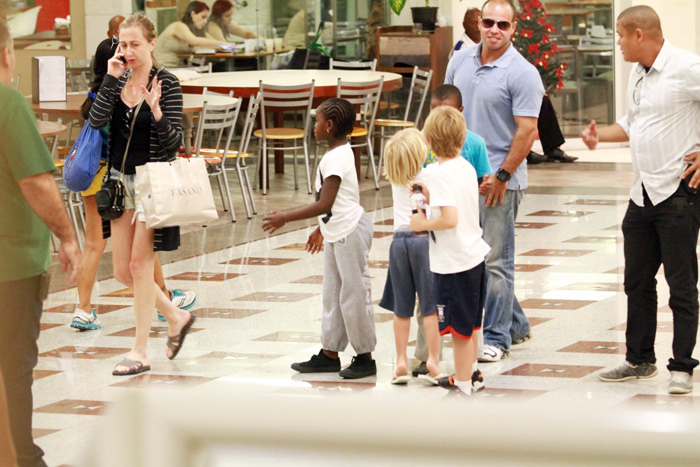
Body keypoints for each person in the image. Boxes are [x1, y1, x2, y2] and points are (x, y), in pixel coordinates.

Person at [585, 6, 700, 395]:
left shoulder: (687, 67)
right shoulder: (638, 73)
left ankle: (682, 366)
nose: (616, 42)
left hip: (677, 193)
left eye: (619, 34)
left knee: (681, 285)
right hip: (642, 193)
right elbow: (631, 125)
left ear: (639, 34)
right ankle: (639, 360)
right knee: (637, 281)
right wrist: (599, 136)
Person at [71, 16, 196, 331]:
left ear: (152, 44)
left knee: (139, 267)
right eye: (123, 45)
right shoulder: (118, 80)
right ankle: (175, 315)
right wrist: (111, 79)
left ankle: (141, 347)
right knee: (123, 273)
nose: (128, 51)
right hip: (119, 184)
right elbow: (96, 120)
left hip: (152, 183)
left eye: (135, 44)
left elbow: (173, 143)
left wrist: (156, 111)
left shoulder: (165, 83)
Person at [0, 17, 82, 466]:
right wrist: (67, 237)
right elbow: (36, 181)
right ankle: (21, 457)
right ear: (7, 53)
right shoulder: (8, 103)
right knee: (13, 367)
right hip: (10, 265)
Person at [445, 0, 544, 362]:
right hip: (461, 177)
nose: (494, 30)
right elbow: (447, 113)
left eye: (503, 24)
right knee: (475, 256)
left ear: (514, 28)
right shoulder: (461, 60)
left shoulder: (522, 73)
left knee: (496, 262)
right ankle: (515, 323)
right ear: (479, 23)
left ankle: (496, 337)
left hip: (501, 180)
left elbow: (527, 130)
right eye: (489, 22)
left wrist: (502, 175)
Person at [262, 98, 377, 379]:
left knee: (353, 295)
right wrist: (320, 229)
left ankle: (365, 358)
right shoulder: (336, 153)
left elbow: (326, 203)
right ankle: (329, 354)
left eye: (317, 120)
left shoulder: (336, 157)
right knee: (333, 295)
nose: (314, 126)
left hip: (350, 230)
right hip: (338, 229)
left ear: (330, 125)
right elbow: (333, 203)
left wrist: (285, 217)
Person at [412, 84, 491, 392]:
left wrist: (421, 221)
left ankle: (461, 382)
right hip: (473, 256)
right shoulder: (467, 168)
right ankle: (471, 374)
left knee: (457, 330)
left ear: (428, 140)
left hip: (452, 262)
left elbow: (448, 218)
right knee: (470, 325)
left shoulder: (435, 174)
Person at [380, 128, 441, 384]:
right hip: (423, 240)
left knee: (401, 308)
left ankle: (401, 360)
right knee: (429, 307)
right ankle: (433, 362)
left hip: (398, 242)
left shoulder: (396, 179)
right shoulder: (431, 174)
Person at [153, 1, 229, 67]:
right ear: (193, 14)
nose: (205, 21)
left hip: (180, 68)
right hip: (163, 66)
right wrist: (224, 44)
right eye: (203, 17)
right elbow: (194, 41)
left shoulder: (195, 30)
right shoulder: (178, 26)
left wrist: (224, 45)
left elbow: (211, 42)